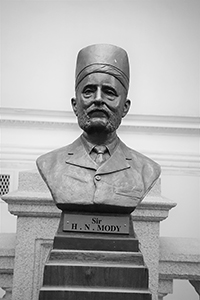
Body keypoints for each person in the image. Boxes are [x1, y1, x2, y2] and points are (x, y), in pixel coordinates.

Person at [36, 44, 161, 214]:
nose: (98, 99)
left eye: (109, 92)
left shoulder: (147, 169)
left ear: (125, 107)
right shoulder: (49, 163)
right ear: (75, 105)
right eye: (89, 91)